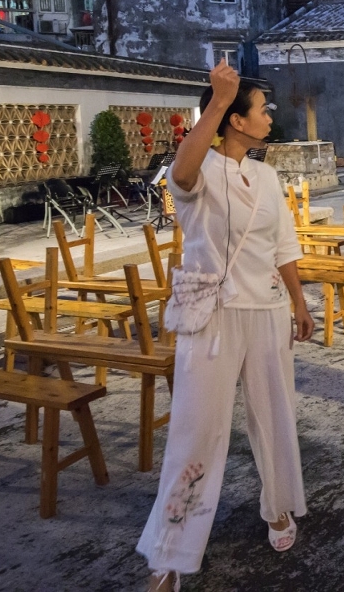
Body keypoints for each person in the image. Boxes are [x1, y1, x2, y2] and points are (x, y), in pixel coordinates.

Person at [138, 61, 314, 592]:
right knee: (196, 429)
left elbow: (283, 245)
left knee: (274, 416)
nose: (270, 117)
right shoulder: (201, 169)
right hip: (212, 314)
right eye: (262, 109)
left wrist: (299, 302)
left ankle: (277, 506)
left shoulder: (266, 176)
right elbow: (180, 175)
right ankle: (170, 551)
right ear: (236, 120)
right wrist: (217, 100)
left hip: (267, 311)